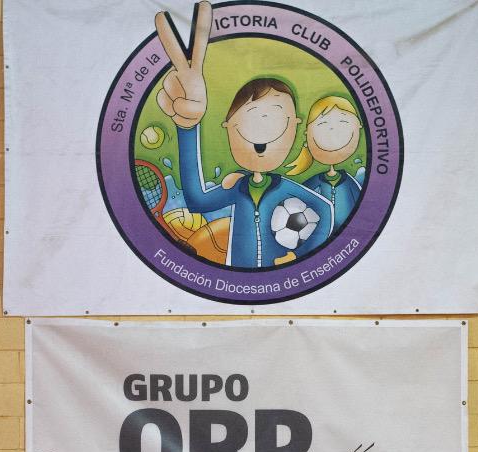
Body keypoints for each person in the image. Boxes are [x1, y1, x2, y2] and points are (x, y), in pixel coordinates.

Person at [156, 3, 333, 269]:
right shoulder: (237, 188)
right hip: (239, 283)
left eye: (274, 121)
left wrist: (301, 256)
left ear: (294, 126)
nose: (262, 133)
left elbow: (325, 213)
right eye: (249, 122)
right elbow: (196, 199)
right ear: (229, 127)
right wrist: (188, 127)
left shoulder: (289, 190)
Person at [288, 96, 364, 231]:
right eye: (322, 125)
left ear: (358, 127)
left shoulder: (351, 184)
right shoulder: (313, 183)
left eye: (343, 123)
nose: (332, 131)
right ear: (307, 135)